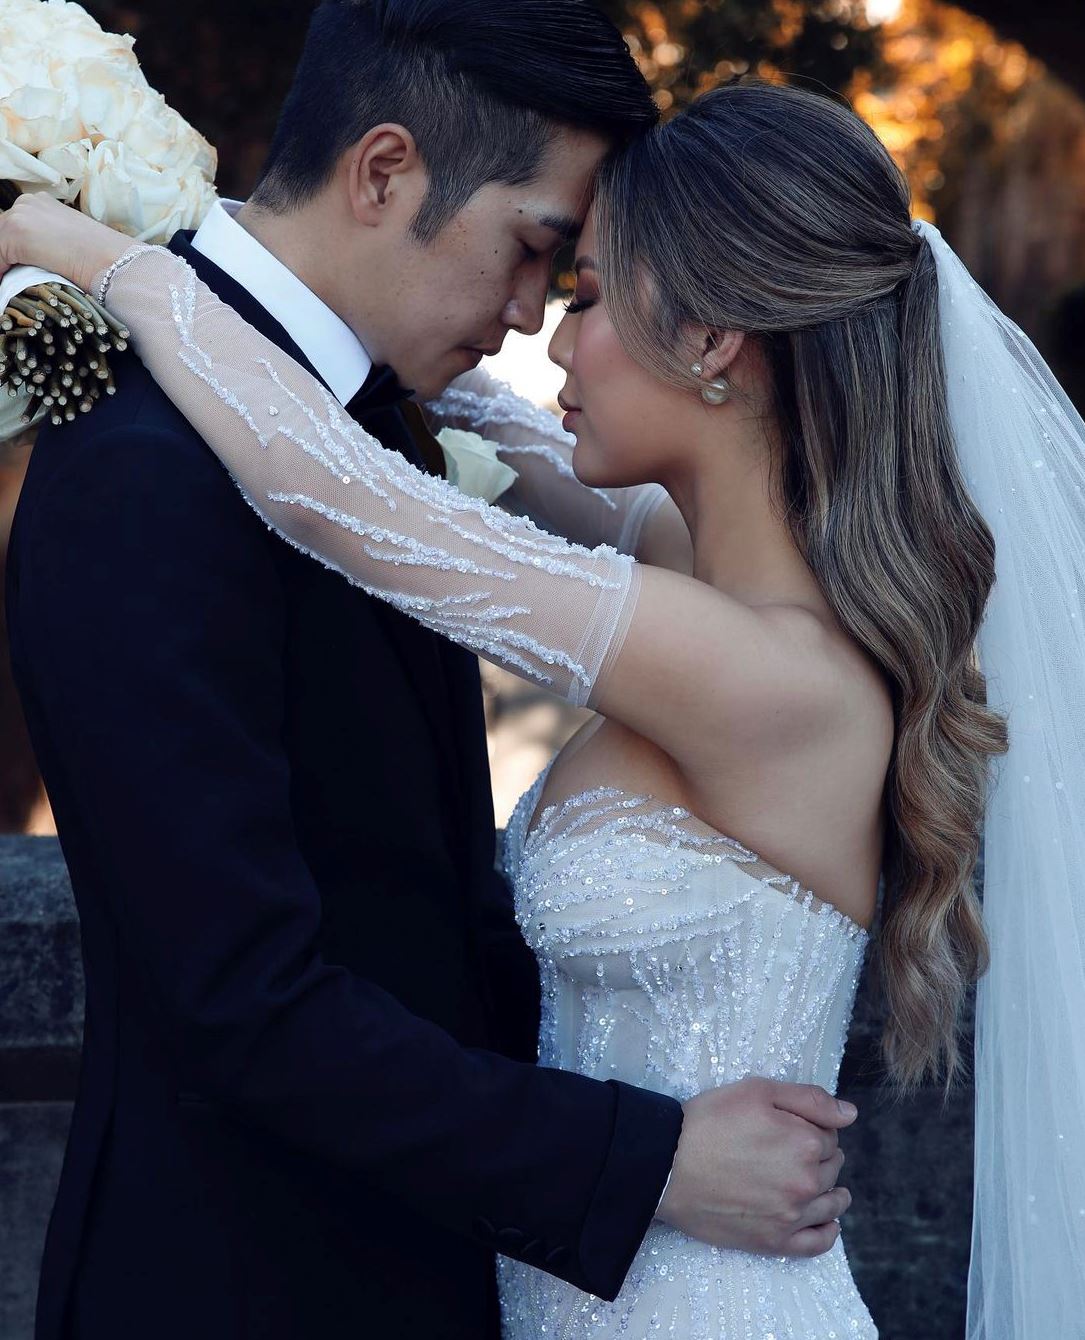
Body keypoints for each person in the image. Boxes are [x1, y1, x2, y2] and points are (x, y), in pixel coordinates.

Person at [0, 12, 862, 1340]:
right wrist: (639, 1160)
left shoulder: (368, 429)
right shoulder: (142, 471)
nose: (531, 319)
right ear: (385, 172)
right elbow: (236, 999)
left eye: (572, 283)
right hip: (243, 1291)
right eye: (533, 250)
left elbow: (421, 907)